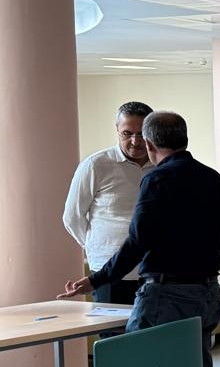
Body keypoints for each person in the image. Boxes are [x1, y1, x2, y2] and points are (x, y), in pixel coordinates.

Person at [60, 112, 220, 367]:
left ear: (151, 145)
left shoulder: (157, 179)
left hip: (164, 294)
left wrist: (97, 277)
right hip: (206, 291)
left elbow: (138, 241)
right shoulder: (212, 178)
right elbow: (219, 239)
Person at [62, 100, 153, 309]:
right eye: (127, 133)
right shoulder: (95, 165)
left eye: (142, 134)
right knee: (113, 329)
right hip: (108, 270)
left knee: (154, 329)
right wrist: (96, 246)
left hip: (153, 270)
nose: (135, 141)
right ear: (117, 130)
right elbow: (72, 217)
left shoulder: (161, 165)